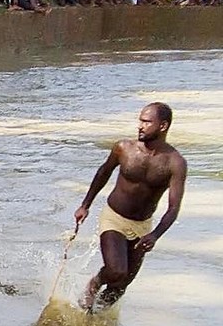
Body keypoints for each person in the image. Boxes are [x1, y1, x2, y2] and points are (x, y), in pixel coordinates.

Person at [75, 102, 187, 312]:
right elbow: (103, 173)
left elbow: (173, 208)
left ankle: (91, 320)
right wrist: (85, 205)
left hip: (142, 226)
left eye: (147, 122)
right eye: (140, 120)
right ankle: (94, 283)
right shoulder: (123, 148)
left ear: (163, 126)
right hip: (114, 218)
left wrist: (155, 235)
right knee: (116, 270)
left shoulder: (175, 162)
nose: (140, 126)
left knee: (120, 285)